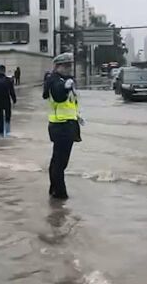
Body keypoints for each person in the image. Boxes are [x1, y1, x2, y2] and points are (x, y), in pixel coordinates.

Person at [43, 53, 82, 200]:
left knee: (57, 160)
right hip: (62, 126)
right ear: (57, 66)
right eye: (66, 65)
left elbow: (70, 103)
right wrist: (65, 88)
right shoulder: (55, 81)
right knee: (60, 162)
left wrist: (77, 116)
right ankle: (60, 194)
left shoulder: (63, 80)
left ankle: (54, 189)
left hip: (65, 124)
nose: (69, 68)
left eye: (70, 65)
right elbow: (58, 94)